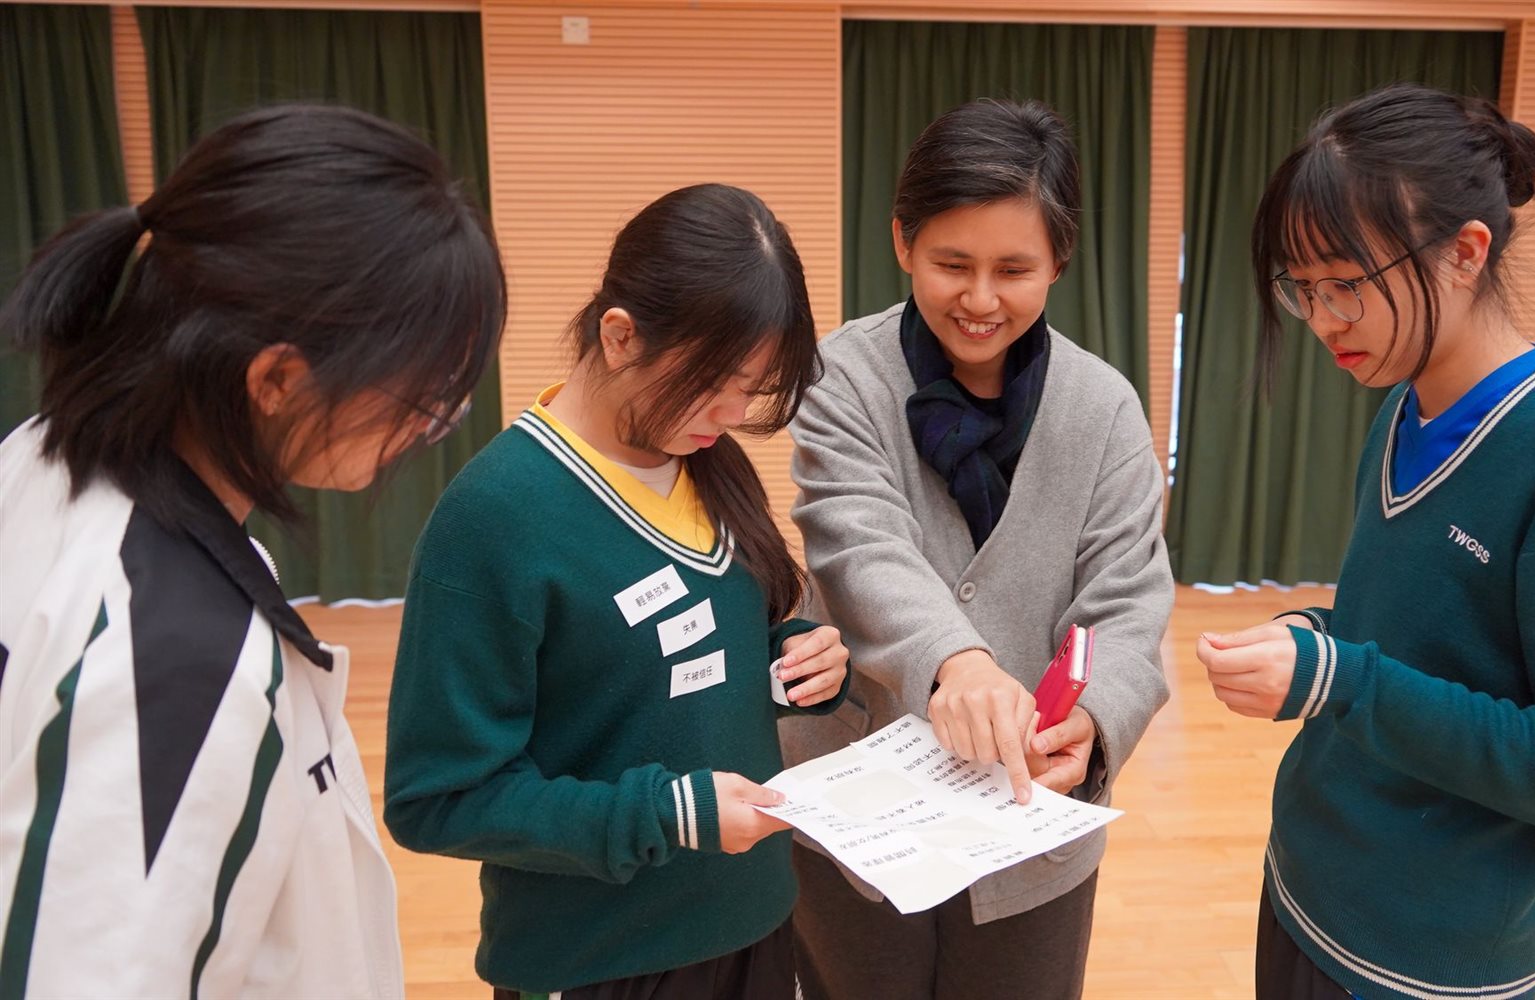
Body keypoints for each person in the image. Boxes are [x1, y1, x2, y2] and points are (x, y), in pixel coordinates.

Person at [1196, 83, 1535, 1000]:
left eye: (1347, 283)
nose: (1323, 319)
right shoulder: (1403, 408)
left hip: (1424, 961)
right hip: (1302, 886)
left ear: (1465, 253)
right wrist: (1318, 640)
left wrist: (1344, 680)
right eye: (1303, 289)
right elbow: (1419, 642)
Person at [0, 104, 504, 997]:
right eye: (423, 398)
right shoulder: (178, 652)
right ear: (276, 379)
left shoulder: (39, 455)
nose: (428, 429)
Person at [382, 182, 852, 1000]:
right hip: (599, 958)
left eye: (752, 386)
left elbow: (685, 665)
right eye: (714, 380)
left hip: (755, 921)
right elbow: (439, 799)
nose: (733, 411)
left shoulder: (709, 462)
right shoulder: (492, 517)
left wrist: (792, 665)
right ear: (620, 335)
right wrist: (666, 815)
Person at [781, 98, 1173, 999]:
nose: (982, 299)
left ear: (1059, 262)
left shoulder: (1104, 408)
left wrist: (1092, 725)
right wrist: (956, 662)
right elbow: (857, 540)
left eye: (1015, 269)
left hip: (1029, 816)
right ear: (902, 242)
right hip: (857, 799)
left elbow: (1126, 600)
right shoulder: (843, 376)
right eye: (952, 264)